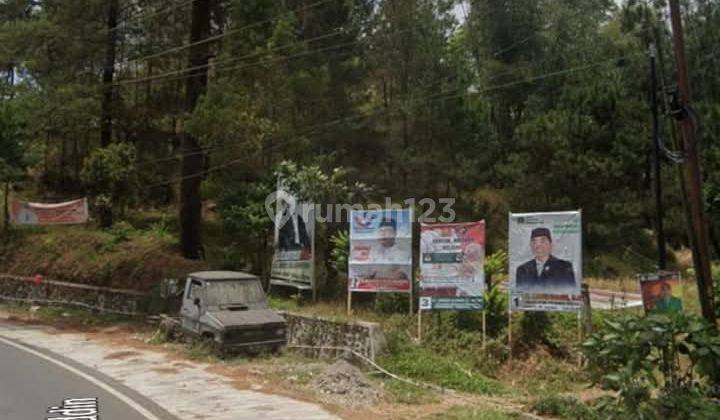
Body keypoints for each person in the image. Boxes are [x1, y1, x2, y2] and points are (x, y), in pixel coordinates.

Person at [515, 227, 575, 291]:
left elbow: (570, 293)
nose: (538, 245)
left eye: (542, 241)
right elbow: (520, 293)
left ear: (551, 244)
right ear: (530, 245)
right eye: (534, 241)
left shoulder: (564, 267)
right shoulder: (523, 269)